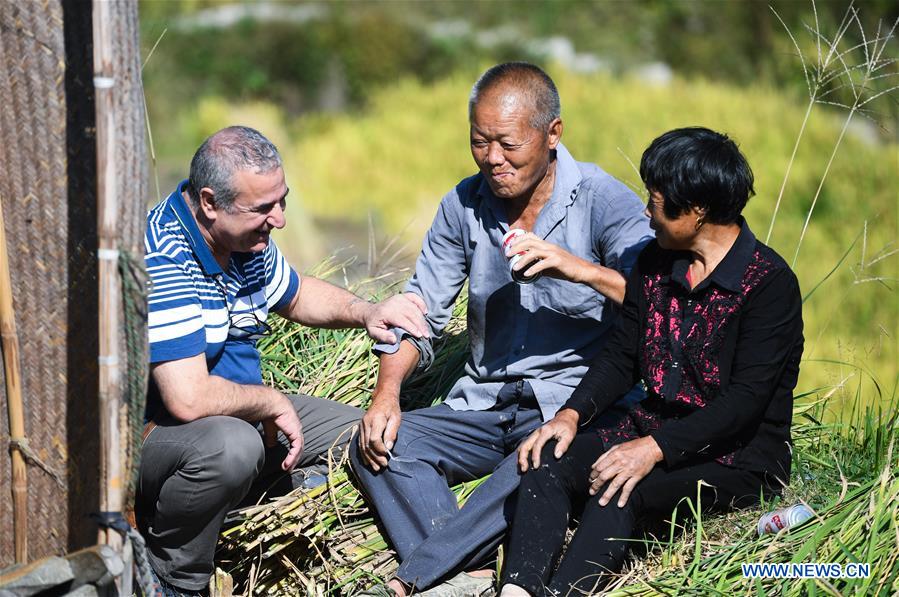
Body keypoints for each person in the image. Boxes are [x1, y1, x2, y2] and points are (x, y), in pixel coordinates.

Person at [351, 62, 653, 596]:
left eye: (508, 144)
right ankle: (470, 572)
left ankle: (414, 578)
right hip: (483, 403)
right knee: (378, 446)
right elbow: (417, 314)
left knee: (543, 464)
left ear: (553, 133)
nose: (493, 159)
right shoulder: (462, 205)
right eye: (479, 142)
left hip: (571, 407)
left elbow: (657, 301)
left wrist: (575, 266)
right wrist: (386, 393)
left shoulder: (605, 201)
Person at [499, 127, 805, 596]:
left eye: (657, 201)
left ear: (698, 210)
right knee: (547, 460)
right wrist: (570, 414)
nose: (647, 212)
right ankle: (516, 590)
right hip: (649, 428)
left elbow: (746, 401)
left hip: (736, 457)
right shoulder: (655, 263)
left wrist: (654, 449)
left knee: (620, 488)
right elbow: (623, 355)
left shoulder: (769, 285)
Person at [137, 126, 430, 596]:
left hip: (232, 410)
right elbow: (187, 398)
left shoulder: (241, 237)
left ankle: (254, 504)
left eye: (282, 201)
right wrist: (271, 402)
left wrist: (367, 312)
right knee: (232, 449)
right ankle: (174, 577)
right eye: (263, 208)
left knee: (372, 435)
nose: (279, 219)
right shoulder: (165, 257)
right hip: (156, 433)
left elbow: (294, 294)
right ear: (210, 202)